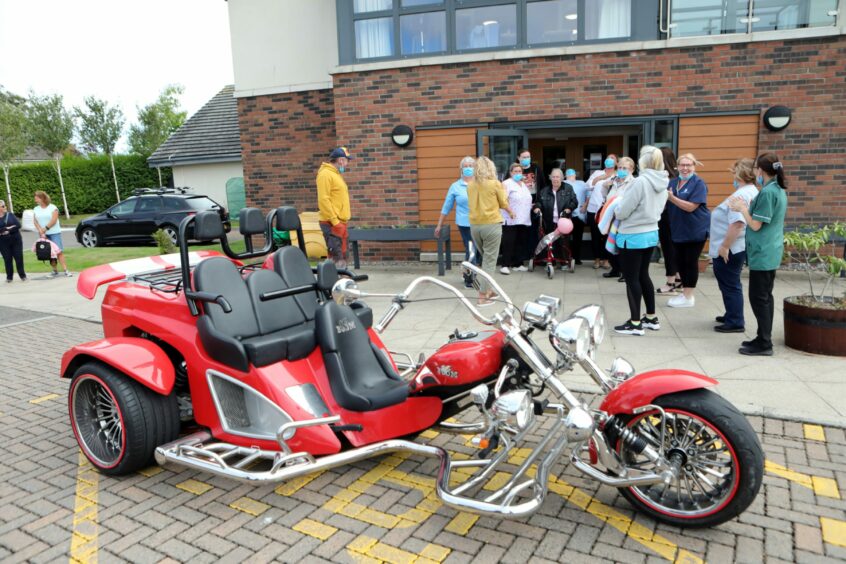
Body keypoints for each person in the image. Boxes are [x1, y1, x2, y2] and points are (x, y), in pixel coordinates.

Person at [728, 152, 788, 356]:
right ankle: (763, 336)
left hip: (764, 252)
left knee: (758, 297)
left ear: (761, 170)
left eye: (756, 169)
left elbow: (755, 224)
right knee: (765, 297)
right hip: (769, 250)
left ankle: (765, 343)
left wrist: (742, 208)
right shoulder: (776, 188)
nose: (755, 172)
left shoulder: (768, 193)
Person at [612, 146, 668, 336]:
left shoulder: (640, 182)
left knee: (631, 278)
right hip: (651, 232)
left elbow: (623, 211)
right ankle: (651, 317)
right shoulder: (662, 180)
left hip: (632, 235)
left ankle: (635, 322)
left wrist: (616, 208)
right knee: (644, 275)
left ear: (643, 161)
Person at [709, 158, 759, 333]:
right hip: (738, 246)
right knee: (730, 282)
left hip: (731, 248)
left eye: (734, 172)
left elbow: (737, 224)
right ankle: (732, 313)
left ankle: (735, 321)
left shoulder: (740, 195)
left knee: (730, 283)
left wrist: (724, 246)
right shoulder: (752, 191)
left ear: (741, 174)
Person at [468, 156, 514, 305]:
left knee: (485, 259)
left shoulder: (470, 185)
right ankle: (483, 296)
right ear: (491, 168)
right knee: (489, 262)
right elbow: (502, 203)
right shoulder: (495, 184)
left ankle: (488, 290)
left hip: (475, 226)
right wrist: (511, 210)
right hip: (491, 225)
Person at [666, 153, 710, 308]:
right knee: (680, 262)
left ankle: (688, 297)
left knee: (689, 262)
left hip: (695, 230)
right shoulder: (672, 182)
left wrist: (672, 198)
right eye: (682, 165)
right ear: (677, 166)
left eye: (689, 165)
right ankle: (685, 293)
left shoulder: (698, 183)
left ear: (694, 166)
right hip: (678, 230)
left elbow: (691, 207)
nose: (685, 168)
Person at [436, 156, 479, 284]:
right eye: (465, 166)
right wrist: (439, 225)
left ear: (475, 168)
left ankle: (468, 271)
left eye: (470, 165)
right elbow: (446, 207)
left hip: (480, 222)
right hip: (465, 223)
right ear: (461, 169)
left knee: (474, 249)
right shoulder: (455, 186)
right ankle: (470, 279)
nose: (468, 168)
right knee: (471, 248)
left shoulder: (480, 183)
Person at [535, 168, 578, 271]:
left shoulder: (568, 188)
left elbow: (574, 201)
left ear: (562, 178)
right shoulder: (544, 191)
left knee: (563, 242)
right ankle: (551, 262)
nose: (555, 179)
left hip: (563, 221)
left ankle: (564, 262)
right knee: (550, 243)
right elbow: (538, 202)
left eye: (557, 177)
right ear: (550, 178)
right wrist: (536, 207)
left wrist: (569, 208)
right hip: (548, 221)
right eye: (553, 177)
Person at [317, 147, 352, 269]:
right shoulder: (325, 174)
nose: (348, 164)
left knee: (343, 255)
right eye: (347, 160)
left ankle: (344, 281)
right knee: (336, 257)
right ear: (341, 160)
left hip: (340, 222)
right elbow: (323, 200)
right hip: (332, 223)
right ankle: (335, 283)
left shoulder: (335, 174)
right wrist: (335, 222)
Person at [601, 156, 636, 281]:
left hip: (624, 219)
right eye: (620, 167)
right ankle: (615, 269)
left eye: (624, 168)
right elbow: (604, 195)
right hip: (611, 218)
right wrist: (605, 186)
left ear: (631, 169)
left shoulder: (634, 183)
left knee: (623, 247)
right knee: (610, 243)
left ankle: (626, 273)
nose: (621, 170)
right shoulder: (614, 180)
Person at [500, 163, 533, 274]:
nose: (518, 173)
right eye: (516, 171)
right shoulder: (506, 183)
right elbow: (502, 201)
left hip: (523, 219)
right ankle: (505, 265)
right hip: (510, 219)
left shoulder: (523, 184)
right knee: (509, 242)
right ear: (511, 173)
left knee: (520, 242)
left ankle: (517, 264)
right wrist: (510, 211)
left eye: (520, 171)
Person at [657, 148, 682, 294]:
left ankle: (670, 282)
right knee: (675, 249)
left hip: (666, 217)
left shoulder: (664, 179)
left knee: (668, 250)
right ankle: (678, 279)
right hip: (676, 218)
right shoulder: (677, 177)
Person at [585, 154, 617, 269]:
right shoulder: (597, 173)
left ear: (616, 162)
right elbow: (588, 186)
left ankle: (606, 259)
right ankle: (597, 259)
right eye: (608, 158)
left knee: (607, 235)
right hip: (594, 210)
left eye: (612, 158)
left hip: (608, 210)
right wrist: (601, 177)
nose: (610, 160)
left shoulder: (618, 175)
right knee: (595, 235)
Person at [32, 191, 71, 277]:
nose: (35, 198)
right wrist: (40, 231)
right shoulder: (35, 209)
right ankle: (54, 270)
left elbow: (54, 220)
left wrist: (45, 229)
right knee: (49, 252)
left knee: (59, 251)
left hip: (54, 233)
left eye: (37, 197)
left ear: (42, 198)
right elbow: (35, 221)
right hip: (43, 234)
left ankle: (66, 270)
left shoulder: (53, 208)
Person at [565, 169, 589, 265]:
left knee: (577, 238)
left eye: (572, 174)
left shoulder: (582, 183)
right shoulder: (563, 183)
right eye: (569, 174)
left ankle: (576, 258)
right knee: (565, 238)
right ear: (566, 176)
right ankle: (566, 257)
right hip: (567, 214)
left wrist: (585, 205)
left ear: (576, 175)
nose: (571, 176)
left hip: (579, 214)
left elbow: (589, 194)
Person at [0, 200, 26, 283]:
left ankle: (22, 275)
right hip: (3, 241)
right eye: (2, 206)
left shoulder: (10, 215)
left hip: (16, 240)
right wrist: (9, 227)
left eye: (4, 206)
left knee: (18, 257)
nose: (5, 207)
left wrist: (8, 229)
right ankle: (9, 277)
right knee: (7, 259)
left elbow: (18, 225)